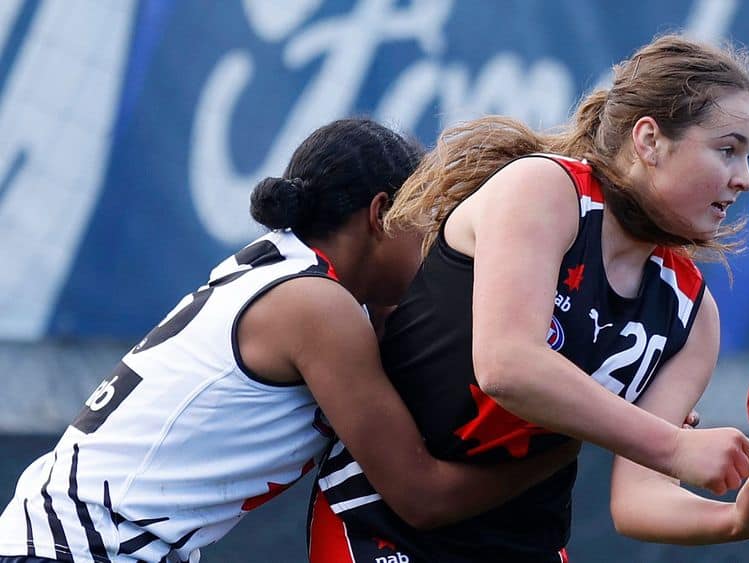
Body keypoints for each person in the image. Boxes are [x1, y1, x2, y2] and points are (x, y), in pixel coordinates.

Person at [309, 35, 749, 562]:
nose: (746, 180)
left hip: (526, 544)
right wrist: (675, 445)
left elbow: (638, 502)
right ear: (649, 141)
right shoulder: (545, 189)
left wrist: (737, 520)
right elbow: (508, 365)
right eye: (727, 150)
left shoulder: (691, 314)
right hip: (380, 524)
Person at [0, 119, 580, 563]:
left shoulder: (288, 275)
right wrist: (579, 431)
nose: (436, 248)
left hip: (70, 535)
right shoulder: (316, 308)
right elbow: (421, 497)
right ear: (381, 215)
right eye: (429, 225)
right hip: (84, 546)